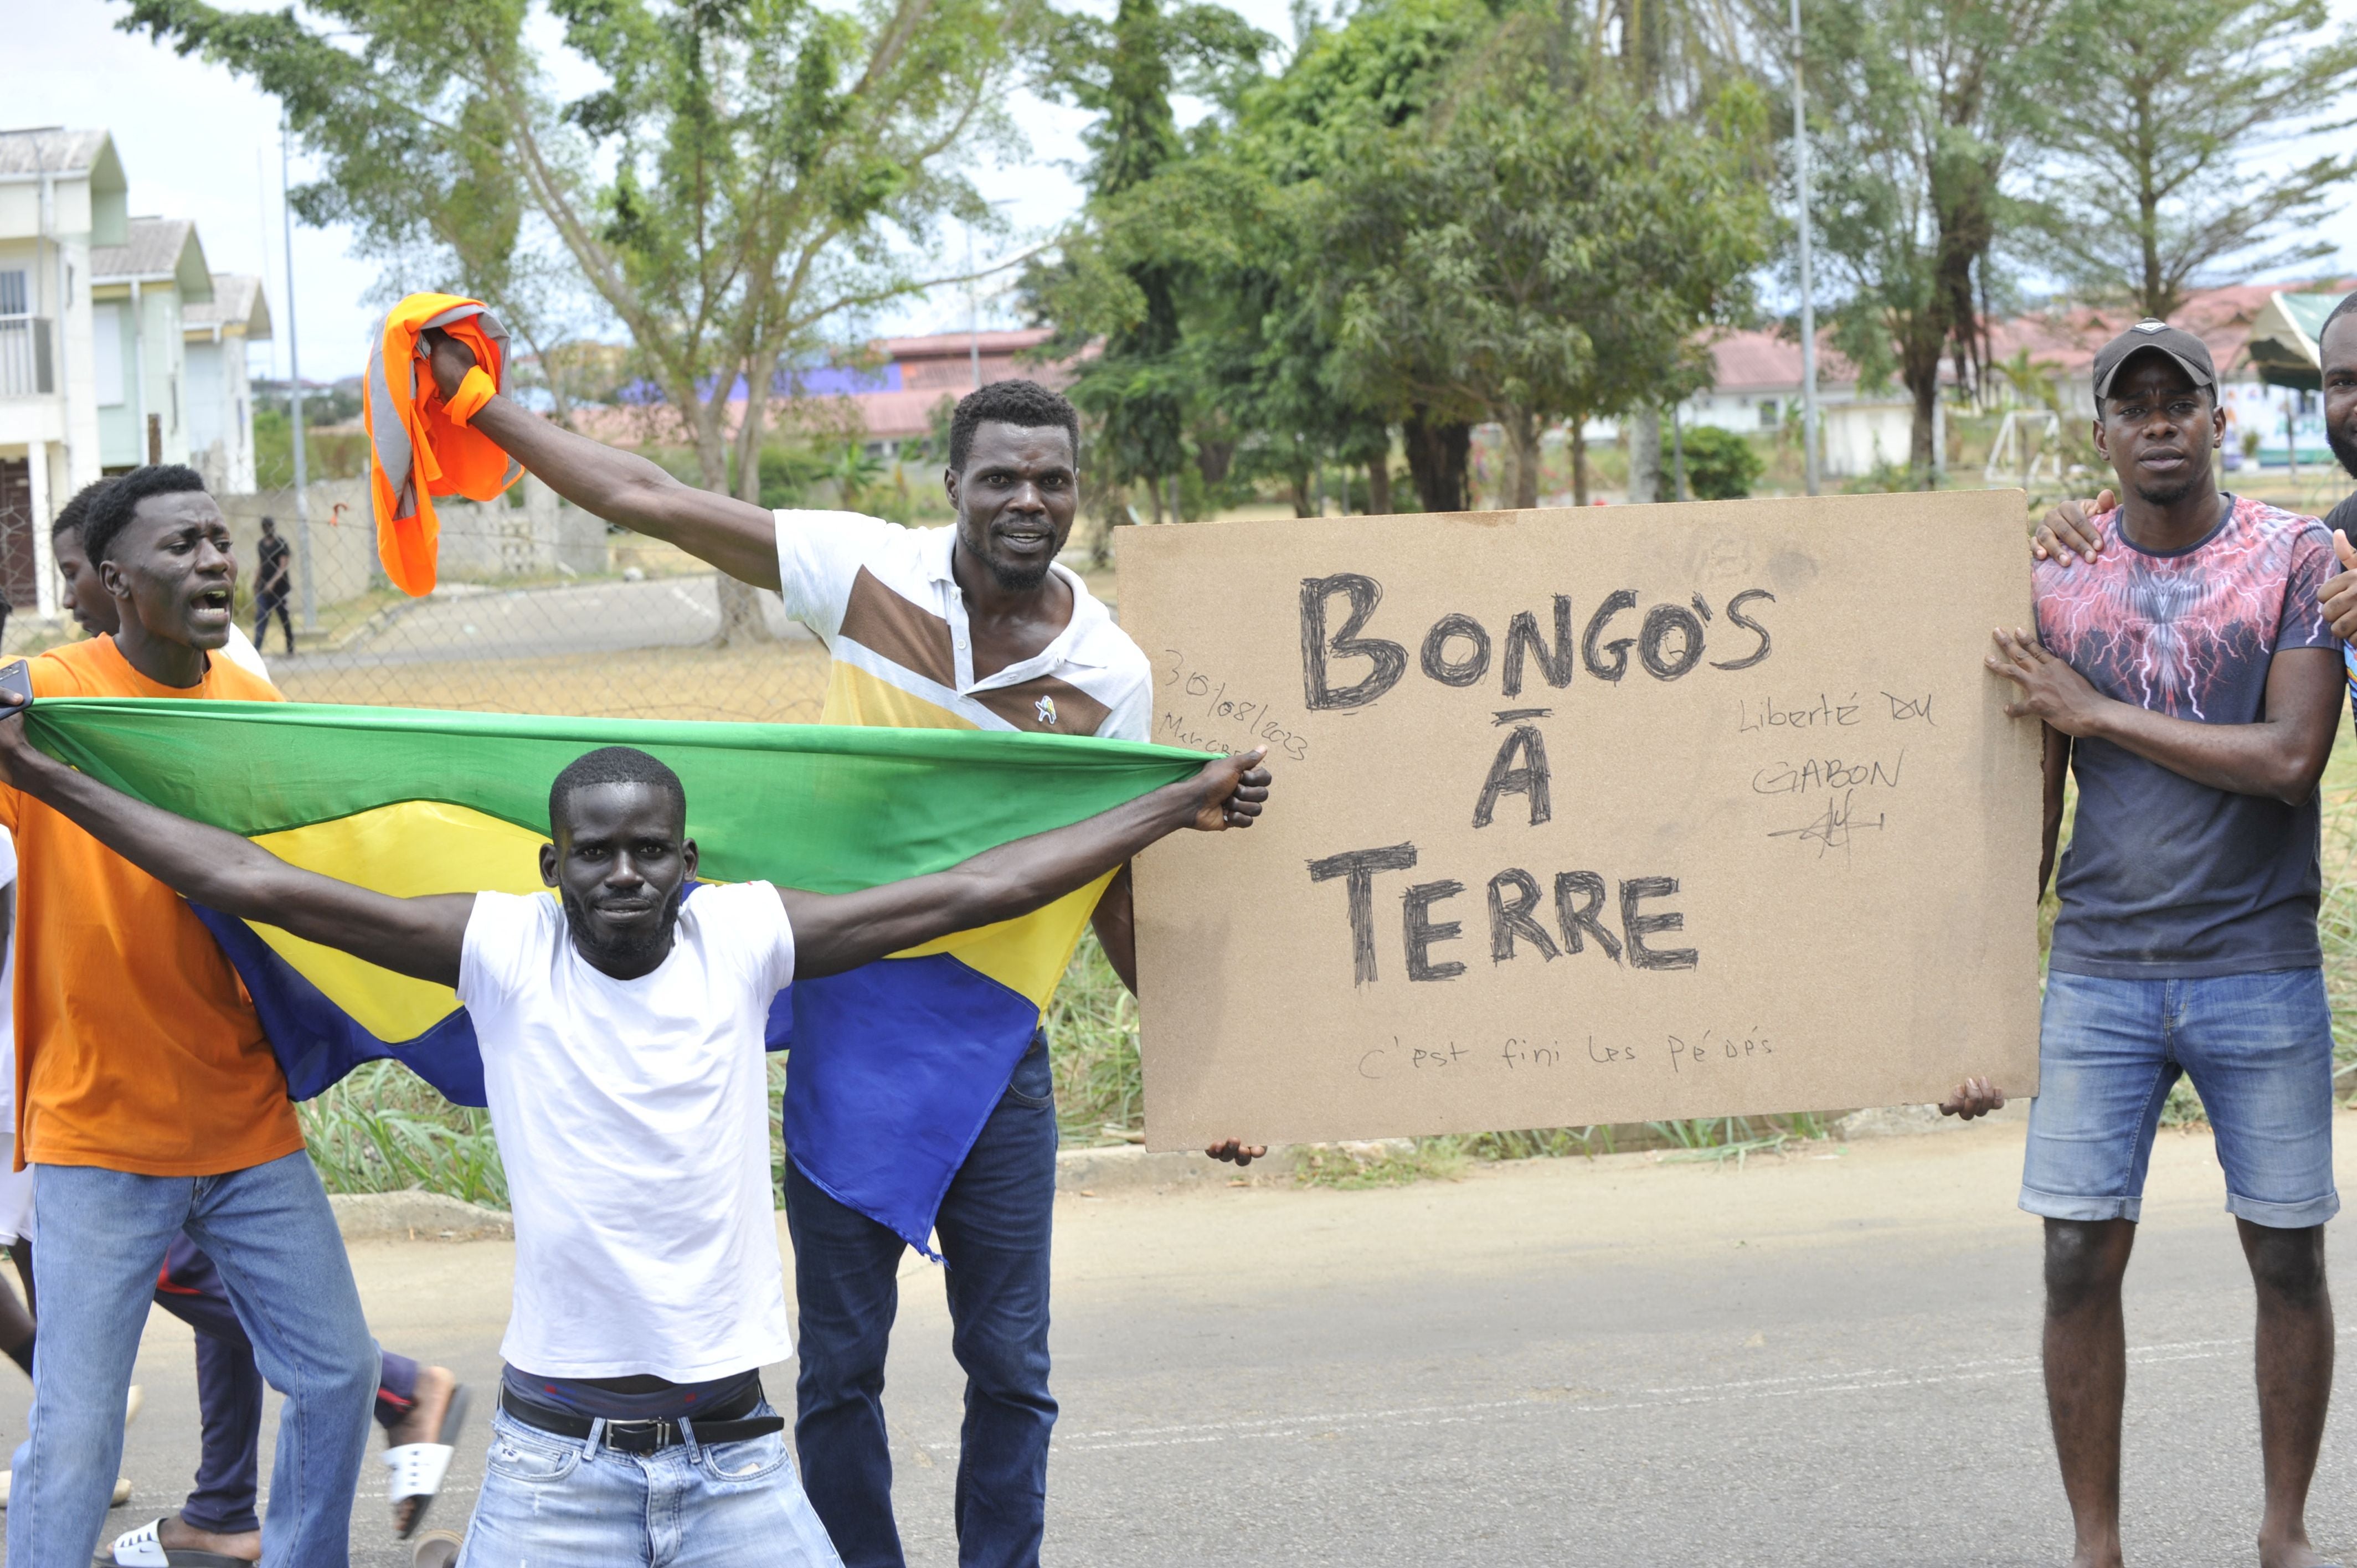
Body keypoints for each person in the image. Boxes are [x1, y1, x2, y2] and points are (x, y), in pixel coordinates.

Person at [0, 697, 1271, 1564]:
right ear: (550, 866)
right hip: (555, 1469)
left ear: (689, 860)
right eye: (595, 852)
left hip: (739, 1466)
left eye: (649, 850)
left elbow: (973, 887)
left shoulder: (745, 937)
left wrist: (1171, 806)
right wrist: (40, 773)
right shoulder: (504, 950)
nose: (623, 873)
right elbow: (253, 880)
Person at [422, 332, 1262, 1567]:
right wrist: (481, 406)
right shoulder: (865, 570)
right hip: (851, 1021)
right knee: (837, 1372)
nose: (1028, 502)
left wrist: (1205, 1081)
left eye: (1053, 482)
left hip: (994, 1047)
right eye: (1000, 479)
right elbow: (643, 496)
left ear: (1081, 494)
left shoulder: (1107, 672)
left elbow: (1105, 883)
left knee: (1013, 1371)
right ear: (951, 488)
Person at [1965, 321, 2344, 1568]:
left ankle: (2282, 1531)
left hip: (2258, 963)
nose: (2157, 422)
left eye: (2177, 400)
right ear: (2101, 436)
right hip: (2101, 973)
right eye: (2130, 406)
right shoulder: (2055, 576)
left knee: (2286, 1251)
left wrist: (2097, 710)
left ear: (2219, 418)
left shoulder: (2296, 555)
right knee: (2074, 1257)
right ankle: (2096, 1545)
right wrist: (1973, 1003)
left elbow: (2289, 762)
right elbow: (2027, 798)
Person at [40, 477, 471, 1560]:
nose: (213, 560)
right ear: (116, 582)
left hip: (242, 1120)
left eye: (220, 539)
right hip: (98, 1132)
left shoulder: (249, 704)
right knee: (77, 1432)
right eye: (179, 545)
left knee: (332, 1375)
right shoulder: (46, 702)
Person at [55, 481, 274, 682]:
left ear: (113, 574)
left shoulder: (228, 665)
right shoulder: (54, 684)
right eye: (181, 548)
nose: (67, 600)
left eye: (72, 574)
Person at [251, 517, 294, 657]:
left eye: (270, 526)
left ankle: (290, 649)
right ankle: (256, 650)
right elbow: (262, 565)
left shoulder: (281, 543)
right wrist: (256, 582)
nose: (269, 529)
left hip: (280, 590)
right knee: (261, 618)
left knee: (284, 619)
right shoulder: (261, 545)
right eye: (266, 527)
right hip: (265, 590)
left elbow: (283, 567)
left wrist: (273, 583)